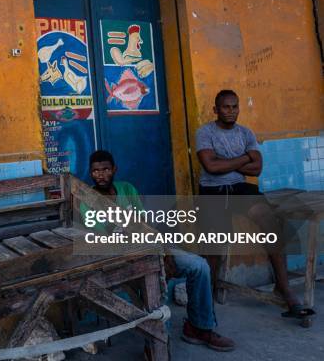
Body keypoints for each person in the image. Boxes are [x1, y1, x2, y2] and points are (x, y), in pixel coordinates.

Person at [84, 150, 235, 352]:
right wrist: (155, 258)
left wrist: (165, 253)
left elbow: (146, 226)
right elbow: (107, 242)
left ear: (114, 170)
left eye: (105, 169)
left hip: (151, 249)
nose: (100, 175)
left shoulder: (127, 189)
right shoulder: (88, 201)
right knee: (156, 279)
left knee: (199, 266)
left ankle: (199, 327)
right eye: (95, 171)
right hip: (121, 260)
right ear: (90, 173)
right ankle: (157, 345)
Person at [196, 89, 314, 319]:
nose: (231, 112)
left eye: (234, 107)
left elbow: (256, 168)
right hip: (212, 191)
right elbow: (211, 167)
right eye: (225, 107)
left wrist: (225, 162)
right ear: (215, 110)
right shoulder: (205, 132)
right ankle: (205, 299)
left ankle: (283, 287)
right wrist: (242, 159)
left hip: (240, 189)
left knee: (272, 224)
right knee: (213, 247)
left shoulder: (246, 133)